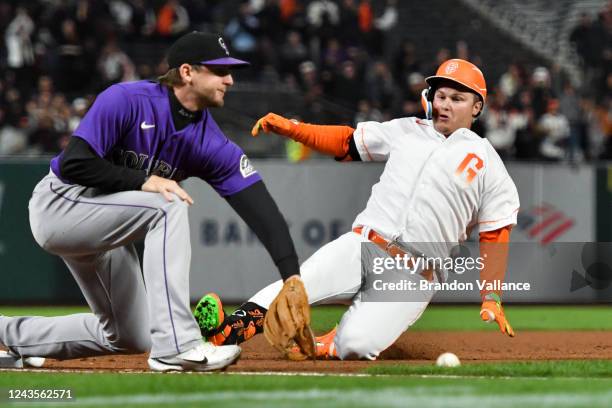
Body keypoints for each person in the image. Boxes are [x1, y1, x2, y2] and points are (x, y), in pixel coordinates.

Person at [0, 31, 304, 372]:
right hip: (61, 204)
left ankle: (10, 334)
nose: (230, 79)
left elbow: (262, 210)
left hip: (107, 224)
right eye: (219, 71)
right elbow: (75, 162)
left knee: (129, 335)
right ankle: (177, 345)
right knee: (168, 201)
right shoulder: (127, 100)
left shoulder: (210, 143)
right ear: (187, 72)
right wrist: (144, 180)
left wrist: (291, 275)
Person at [195, 59, 520, 360]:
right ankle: (228, 331)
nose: (445, 104)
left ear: (477, 106)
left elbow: (496, 230)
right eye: (441, 96)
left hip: (414, 273)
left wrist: (491, 294)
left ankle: (327, 344)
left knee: (357, 344)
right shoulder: (407, 130)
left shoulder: (485, 158)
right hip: (362, 244)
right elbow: (347, 141)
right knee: (297, 284)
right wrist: (295, 129)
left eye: (457, 99)